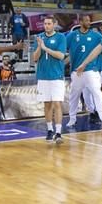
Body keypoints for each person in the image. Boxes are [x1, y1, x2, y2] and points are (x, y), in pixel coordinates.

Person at [66, 15, 102, 130]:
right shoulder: (72, 36)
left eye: (89, 20)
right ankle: (72, 119)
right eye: (86, 20)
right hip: (76, 71)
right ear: (80, 22)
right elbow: (63, 49)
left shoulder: (96, 36)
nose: (89, 22)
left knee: (97, 94)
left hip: (91, 70)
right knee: (74, 96)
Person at [33, 15, 67, 144]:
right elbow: (35, 58)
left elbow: (60, 56)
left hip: (56, 76)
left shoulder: (61, 37)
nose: (46, 26)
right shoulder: (39, 38)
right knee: (47, 104)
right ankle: (49, 130)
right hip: (43, 76)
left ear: (54, 24)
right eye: (45, 24)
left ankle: (58, 132)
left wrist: (46, 48)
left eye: (48, 23)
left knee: (57, 103)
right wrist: (38, 47)